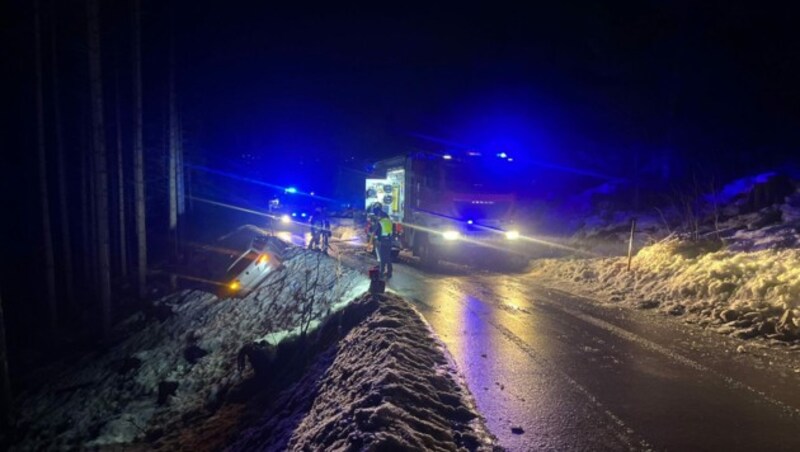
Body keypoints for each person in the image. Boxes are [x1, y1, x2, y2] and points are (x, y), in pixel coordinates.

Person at [372, 210, 394, 279]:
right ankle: (389, 272)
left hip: (383, 241)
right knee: (387, 256)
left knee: (382, 257)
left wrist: (377, 239)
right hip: (389, 241)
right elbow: (393, 231)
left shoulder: (381, 222)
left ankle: (381, 272)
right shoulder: (390, 222)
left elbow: (378, 232)